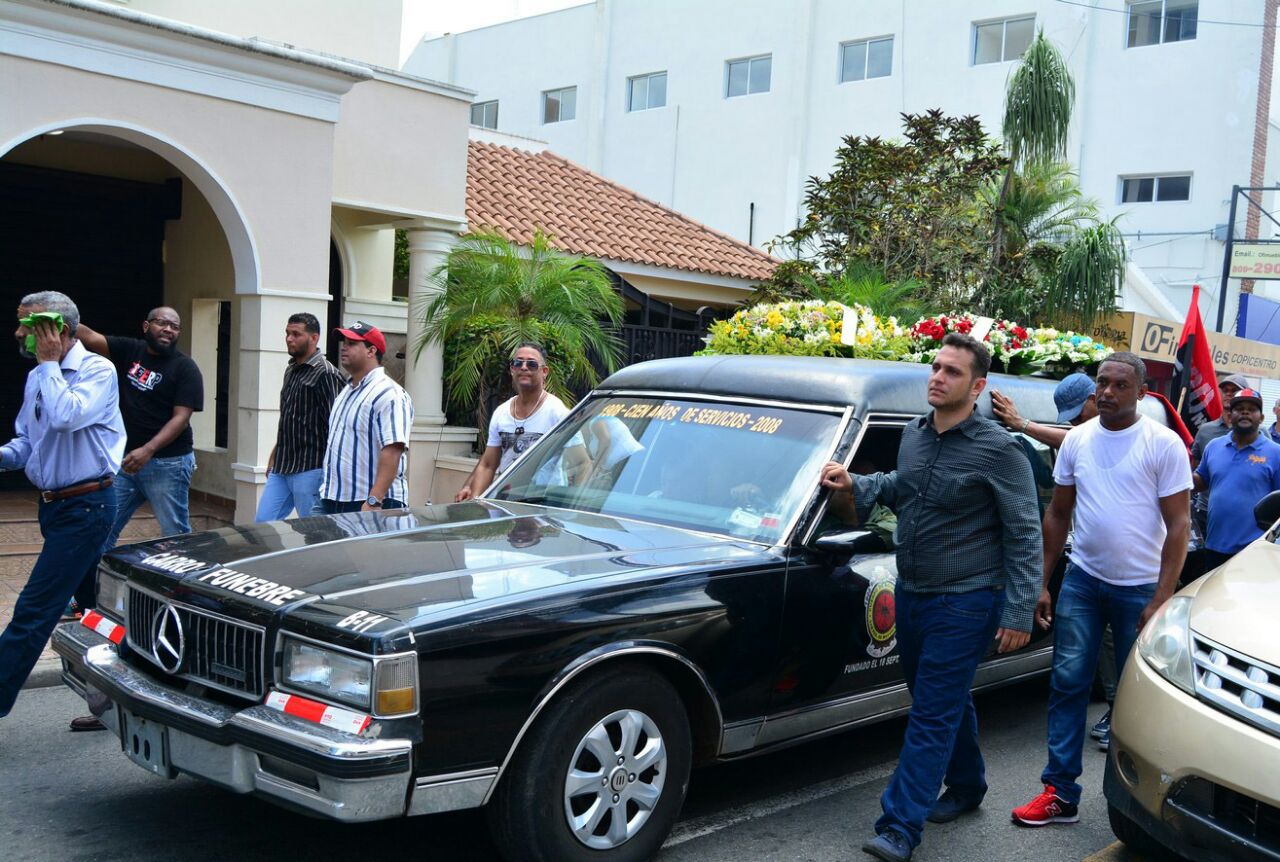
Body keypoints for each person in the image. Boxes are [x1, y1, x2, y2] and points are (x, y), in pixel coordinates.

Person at [820, 332, 1042, 862]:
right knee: (939, 700)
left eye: (952, 372)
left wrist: (1017, 610)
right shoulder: (915, 435)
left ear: (978, 385)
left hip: (968, 601)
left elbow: (1025, 531)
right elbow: (904, 485)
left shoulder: (1001, 450)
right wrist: (857, 484)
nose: (938, 378)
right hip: (914, 593)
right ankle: (967, 786)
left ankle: (899, 827)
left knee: (931, 715)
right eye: (936, 367)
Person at [1013, 352, 1191, 827]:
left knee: (1136, 700)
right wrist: (1042, 582)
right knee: (1067, 684)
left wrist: (1162, 596)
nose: (1107, 393)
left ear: (1142, 393)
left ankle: (1140, 803)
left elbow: (1179, 526)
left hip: (1139, 591)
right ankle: (1059, 793)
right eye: (1101, 384)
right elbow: (1058, 513)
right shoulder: (1077, 442)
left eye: (1119, 385)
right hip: (1082, 584)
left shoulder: (1163, 444)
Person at [0, 292, 124, 721]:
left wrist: (50, 364)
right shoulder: (39, 376)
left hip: (87, 507)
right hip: (55, 508)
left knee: (34, 610)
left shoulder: (96, 370)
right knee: (98, 614)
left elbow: (66, 416)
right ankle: (114, 697)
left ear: (59, 331)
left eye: (28, 326)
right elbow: (28, 442)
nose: (18, 333)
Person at [75, 307, 204, 549]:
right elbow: (90, 337)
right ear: (146, 326)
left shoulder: (186, 368)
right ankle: (97, 584)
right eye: (162, 323)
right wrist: (55, 313)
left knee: (175, 535)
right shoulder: (130, 350)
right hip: (127, 462)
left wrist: (148, 449)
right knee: (103, 527)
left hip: (169, 463)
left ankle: (183, 584)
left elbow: (181, 418)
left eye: (174, 326)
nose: (168, 329)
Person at [455, 343, 573, 501]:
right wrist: (474, 498)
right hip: (508, 500)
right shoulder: (501, 412)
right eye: (518, 363)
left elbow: (581, 463)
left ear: (544, 372)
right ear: (512, 369)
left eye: (531, 364)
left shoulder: (557, 412)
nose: (524, 367)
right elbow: (488, 464)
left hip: (544, 503)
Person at [255, 313, 344, 521]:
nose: (289, 338)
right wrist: (274, 455)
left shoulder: (326, 373)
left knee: (315, 533)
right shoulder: (291, 369)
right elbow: (290, 419)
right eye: (287, 333)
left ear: (314, 338)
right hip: (282, 467)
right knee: (262, 526)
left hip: (310, 469)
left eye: (296, 334)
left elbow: (336, 426)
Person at [316, 321, 412, 513]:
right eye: (344, 342)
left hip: (371, 503)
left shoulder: (389, 393)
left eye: (352, 343)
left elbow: (393, 449)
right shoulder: (346, 391)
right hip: (332, 498)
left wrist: (374, 500)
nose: (344, 347)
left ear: (371, 351)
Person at [1193, 388, 1280, 571]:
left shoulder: (1275, 453)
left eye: (1252, 409)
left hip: (1254, 552)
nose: (1245, 412)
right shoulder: (1214, 447)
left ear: (1262, 418)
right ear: (1229, 415)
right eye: (1239, 408)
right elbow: (1200, 480)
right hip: (1214, 546)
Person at [1190, 374, 1247, 540]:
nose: (1229, 394)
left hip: (1243, 519)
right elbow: (1195, 468)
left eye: (1235, 390)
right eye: (1226, 390)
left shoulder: (1259, 434)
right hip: (1206, 512)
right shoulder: (1206, 431)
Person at [991, 372, 1097, 450]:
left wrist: (1021, 424)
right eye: (1070, 419)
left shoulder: (1112, 423)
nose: (1074, 424)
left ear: (1093, 399)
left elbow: (1075, 441)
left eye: (1078, 416)